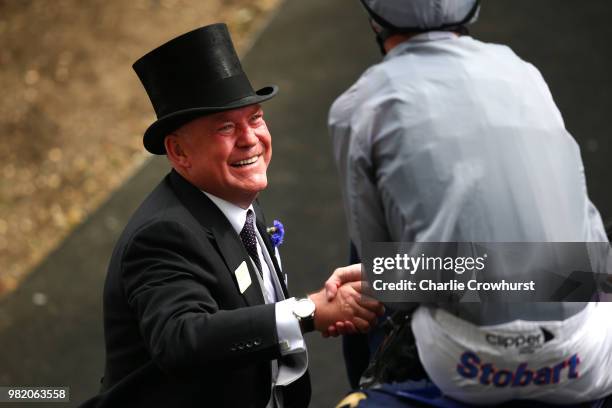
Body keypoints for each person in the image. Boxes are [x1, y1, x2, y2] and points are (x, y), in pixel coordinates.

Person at [80, 23, 383, 408]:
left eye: (255, 118)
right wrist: (307, 311)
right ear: (179, 152)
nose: (249, 138)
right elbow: (182, 338)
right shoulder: (162, 234)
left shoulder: (234, 199)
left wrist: (335, 301)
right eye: (225, 127)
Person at [328, 0, 612, 406]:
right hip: (583, 353)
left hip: (469, 365)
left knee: (367, 264)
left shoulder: (356, 106)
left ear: (374, 18)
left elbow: (389, 282)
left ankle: (366, 393)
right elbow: (590, 254)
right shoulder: (524, 73)